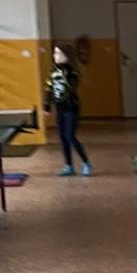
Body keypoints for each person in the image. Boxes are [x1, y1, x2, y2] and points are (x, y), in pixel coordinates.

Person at [45, 43, 91, 177]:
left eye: (58, 53)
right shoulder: (53, 70)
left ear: (66, 56)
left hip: (71, 107)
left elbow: (71, 87)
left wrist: (65, 71)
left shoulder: (72, 71)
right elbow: (49, 88)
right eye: (54, 53)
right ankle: (69, 166)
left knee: (70, 136)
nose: (55, 56)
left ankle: (86, 162)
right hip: (60, 109)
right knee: (62, 137)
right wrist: (47, 105)